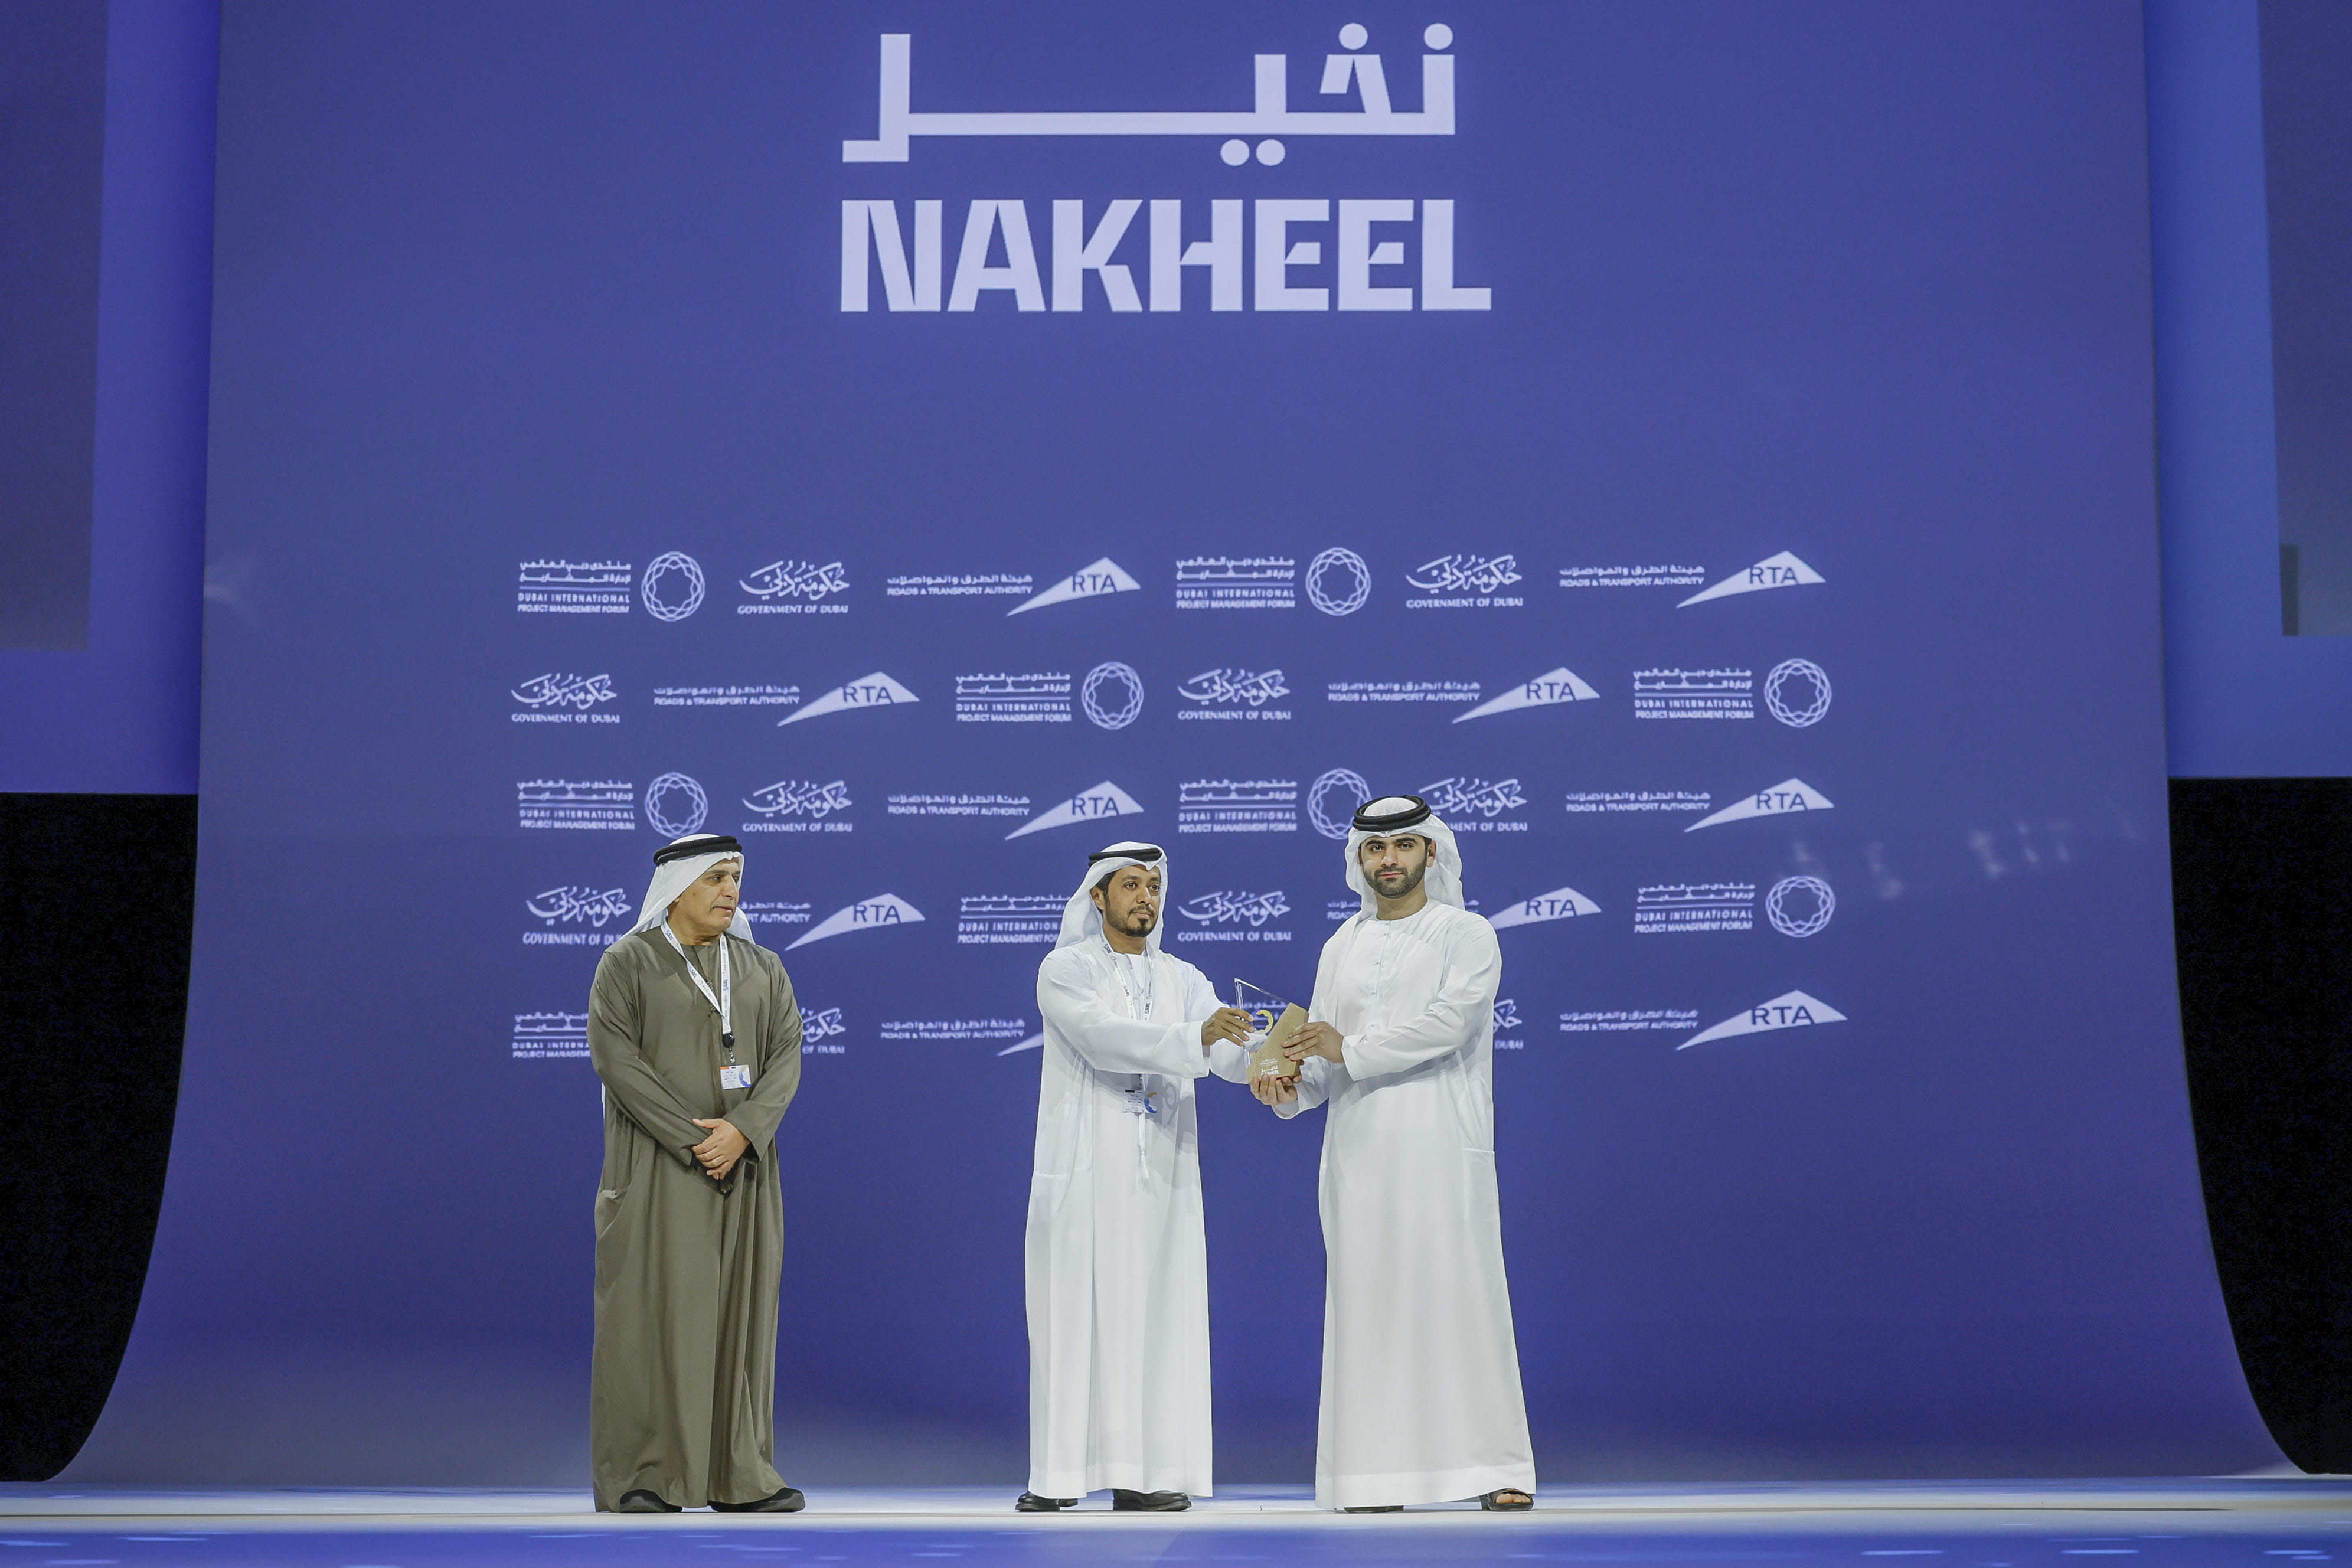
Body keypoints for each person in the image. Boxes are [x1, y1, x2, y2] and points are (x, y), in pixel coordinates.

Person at [1253, 795, 1536, 1513]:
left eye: (1404, 846)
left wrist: (1348, 1047)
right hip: (1358, 1156)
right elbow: (1322, 1060)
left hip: (1441, 1147)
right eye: (1376, 849)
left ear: (1430, 853)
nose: (1389, 860)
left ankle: (1496, 1468)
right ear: (1359, 858)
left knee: (1461, 1300)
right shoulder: (1340, 945)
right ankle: (1371, 1476)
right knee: (1369, 1308)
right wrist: (1286, 1085)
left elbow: (1450, 1022)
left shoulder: (1466, 934)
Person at [1020, 842, 1259, 1513]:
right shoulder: (1065, 969)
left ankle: (1145, 1473)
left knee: (1159, 1318)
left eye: (1153, 886)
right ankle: (1057, 1477)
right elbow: (1103, 1038)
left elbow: (1227, 1049)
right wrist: (1197, 1038)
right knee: (1075, 1318)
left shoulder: (1183, 976)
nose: (1145, 898)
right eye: (1130, 886)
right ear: (1098, 895)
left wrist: (1271, 1066)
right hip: (1087, 1171)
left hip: (1162, 1174)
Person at [586, 833, 806, 1514]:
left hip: (746, 1171)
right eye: (715, 877)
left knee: (741, 1323)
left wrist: (743, 1131)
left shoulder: (763, 967)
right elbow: (617, 1061)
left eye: (736, 876)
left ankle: (740, 1476)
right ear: (675, 888)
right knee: (650, 1321)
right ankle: (645, 1477)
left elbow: (787, 1055)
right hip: (658, 1172)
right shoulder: (627, 964)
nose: (730, 890)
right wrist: (697, 1140)